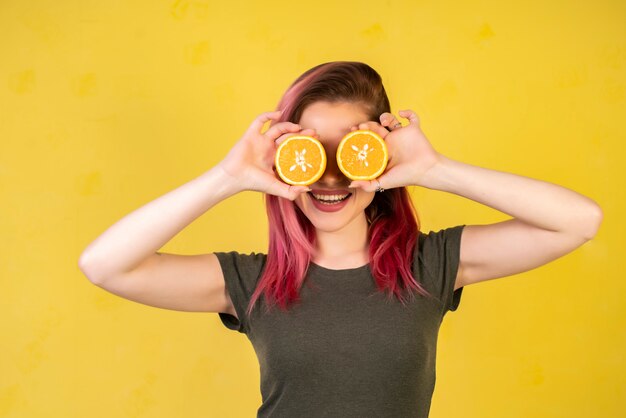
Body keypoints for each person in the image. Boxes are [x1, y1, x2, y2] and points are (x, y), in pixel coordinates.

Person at [78, 61, 603, 418]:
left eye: (348, 151)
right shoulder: (252, 282)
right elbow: (104, 265)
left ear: (381, 157)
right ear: (284, 159)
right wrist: (228, 176)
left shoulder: (430, 265)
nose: (330, 177)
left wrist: (434, 169)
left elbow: (578, 221)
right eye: (311, 152)